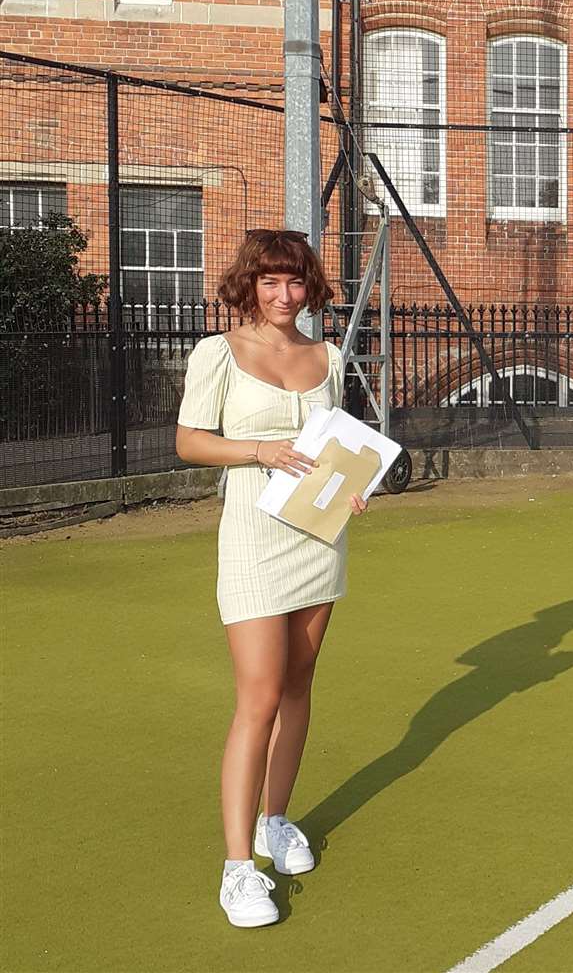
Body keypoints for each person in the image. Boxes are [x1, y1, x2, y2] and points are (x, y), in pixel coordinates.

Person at [175, 229, 366, 926]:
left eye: (294, 282)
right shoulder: (217, 353)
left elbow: (339, 445)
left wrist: (354, 484)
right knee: (257, 696)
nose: (284, 296)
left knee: (297, 686)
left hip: (320, 541)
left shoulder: (328, 355)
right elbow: (189, 439)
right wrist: (258, 448)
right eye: (269, 282)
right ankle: (238, 869)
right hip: (253, 544)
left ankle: (273, 820)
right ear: (248, 285)